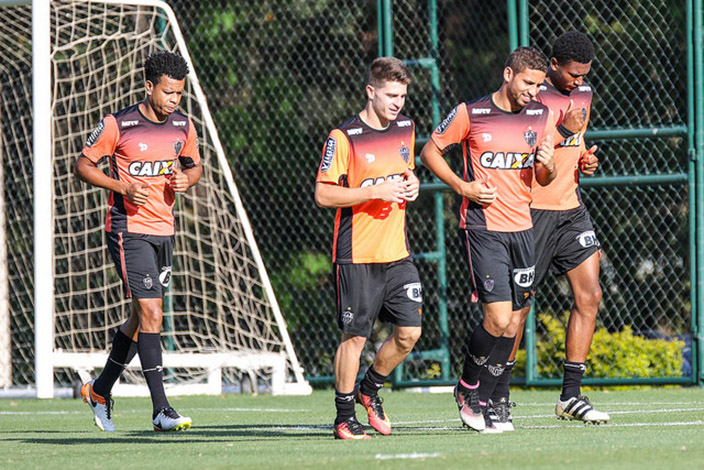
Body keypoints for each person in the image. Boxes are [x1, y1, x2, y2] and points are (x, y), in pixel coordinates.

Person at [420, 46, 556, 433]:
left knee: (513, 324)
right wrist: (463, 187)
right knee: (496, 317)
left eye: (539, 85)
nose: (534, 91)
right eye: (529, 83)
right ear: (508, 74)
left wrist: (545, 163)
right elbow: (430, 152)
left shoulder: (540, 115)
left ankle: (491, 399)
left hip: (523, 228)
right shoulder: (471, 113)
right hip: (484, 228)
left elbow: (542, 179)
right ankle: (467, 388)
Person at [74, 51, 202, 432]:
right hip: (127, 229)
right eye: (167, 92)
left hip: (165, 231)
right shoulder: (119, 124)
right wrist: (122, 187)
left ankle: (99, 390)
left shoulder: (183, 125)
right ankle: (161, 410)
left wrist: (186, 180)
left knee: (139, 318)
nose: (174, 100)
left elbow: (194, 166)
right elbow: (82, 165)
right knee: (151, 313)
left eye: (179, 93)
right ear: (149, 87)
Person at [489, 31, 609, 428]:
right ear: (554, 66)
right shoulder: (533, 99)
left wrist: (584, 159)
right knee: (517, 311)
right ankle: (497, 395)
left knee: (590, 295)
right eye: (573, 74)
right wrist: (561, 132)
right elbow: (527, 158)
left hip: (571, 209)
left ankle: (571, 396)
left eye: (584, 75)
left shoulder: (585, 92)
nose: (578, 81)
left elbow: (577, 142)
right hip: (532, 211)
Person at [315, 57, 423, 440]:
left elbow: (407, 171)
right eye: (391, 95)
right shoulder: (343, 138)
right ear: (370, 91)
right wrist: (373, 191)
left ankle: (370, 388)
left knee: (409, 333)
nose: (398, 103)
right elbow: (324, 193)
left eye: (403, 96)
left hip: (398, 253)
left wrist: (413, 185)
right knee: (355, 337)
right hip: (357, 254)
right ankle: (344, 416)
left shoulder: (406, 128)